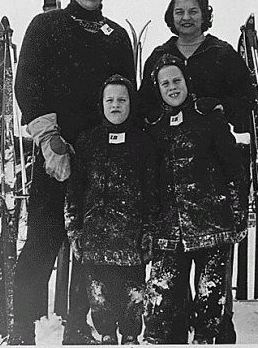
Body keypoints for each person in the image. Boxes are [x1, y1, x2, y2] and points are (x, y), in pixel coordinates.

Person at [12, 0, 136, 345]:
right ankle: (21, 330)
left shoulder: (116, 37)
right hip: (56, 151)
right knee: (43, 240)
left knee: (91, 245)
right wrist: (48, 139)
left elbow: (124, 92)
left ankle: (79, 328)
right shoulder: (47, 26)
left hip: (99, 159)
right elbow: (27, 85)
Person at [138, 0, 254, 343]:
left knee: (212, 297)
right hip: (170, 185)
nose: (185, 18)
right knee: (166, 298)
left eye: (193, 11)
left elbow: (244, 100)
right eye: (179, 11)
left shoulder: (221, 54)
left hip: (209, 185)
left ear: (205, 14)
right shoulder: (160, 55)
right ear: (170, 16)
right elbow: (145, 102)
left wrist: (218, 109)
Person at [65, 74, 159, 345]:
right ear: (101, 104)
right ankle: (106, 337)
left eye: (122, 99)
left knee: (132, 298)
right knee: (99, 298)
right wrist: (75, 231)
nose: (116, 105)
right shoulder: (87, 142)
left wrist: (148, 231)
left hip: (131, 243)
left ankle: (130, 338)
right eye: (110, 100)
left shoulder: (144, 144)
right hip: (95, 242)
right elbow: (75, 192)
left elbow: (152, 194)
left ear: (131, 103)